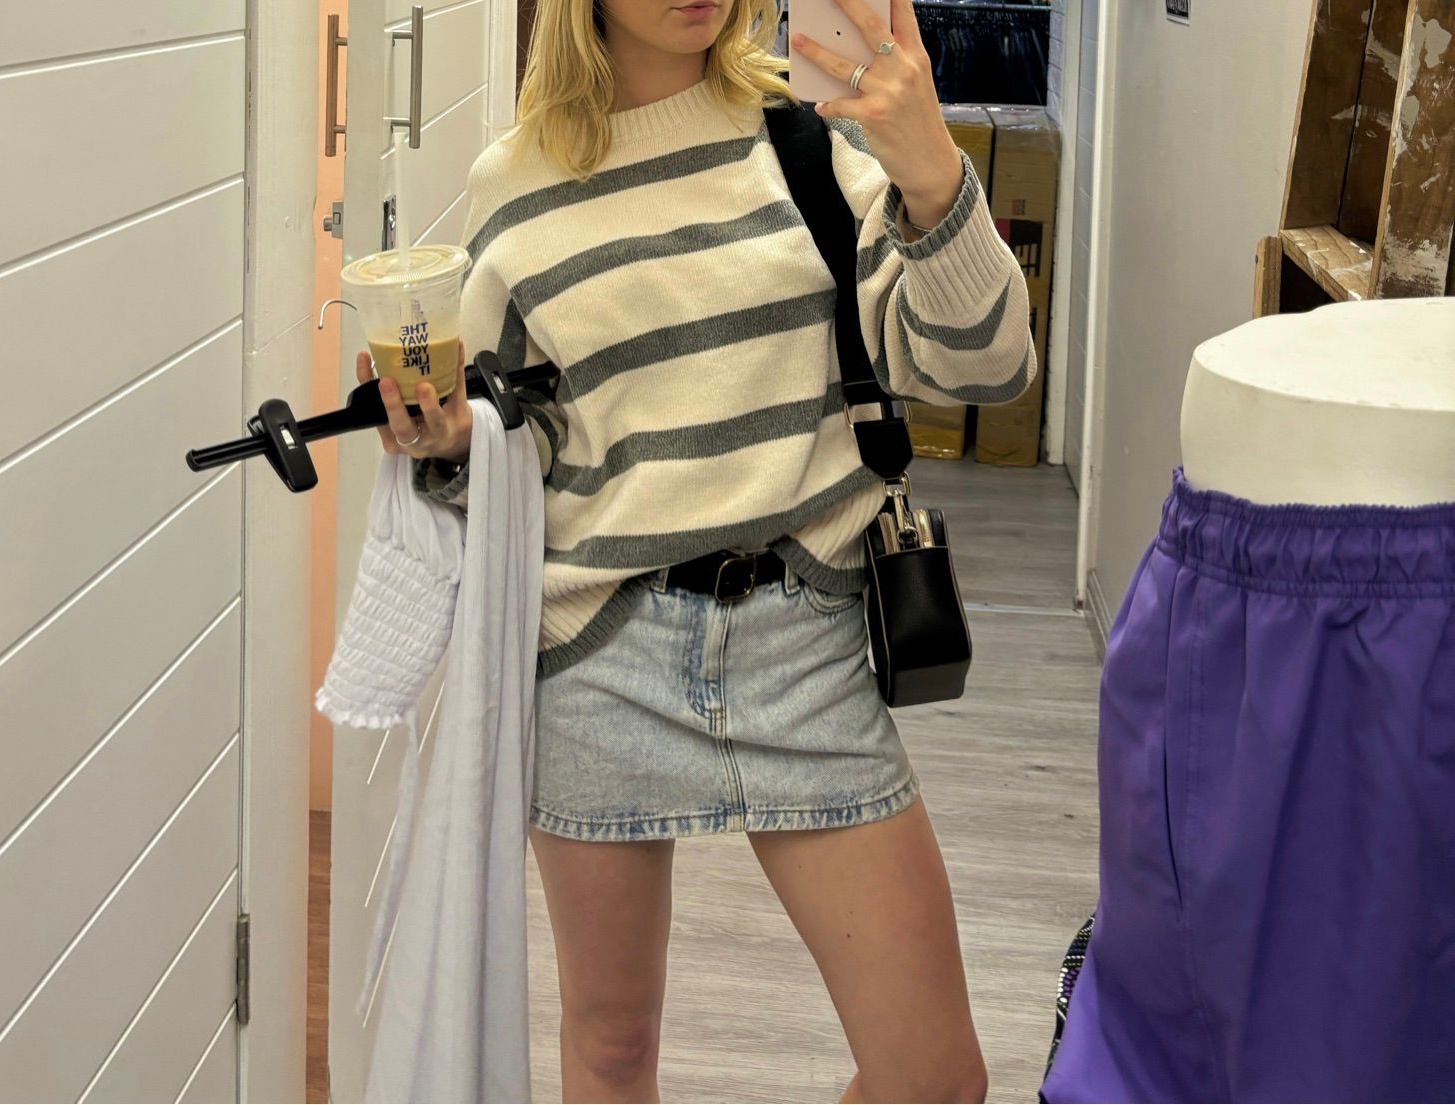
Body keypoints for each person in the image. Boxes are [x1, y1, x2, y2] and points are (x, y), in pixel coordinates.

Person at [353, 0, 1033, 1097]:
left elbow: (989, 369)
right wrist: (444, 442)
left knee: (934, 1076)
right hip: (600, 658)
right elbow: (519, 439)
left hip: (806, 643)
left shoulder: (810, 141)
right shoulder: (516, 186)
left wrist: (932, 173)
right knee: (612, 1046)